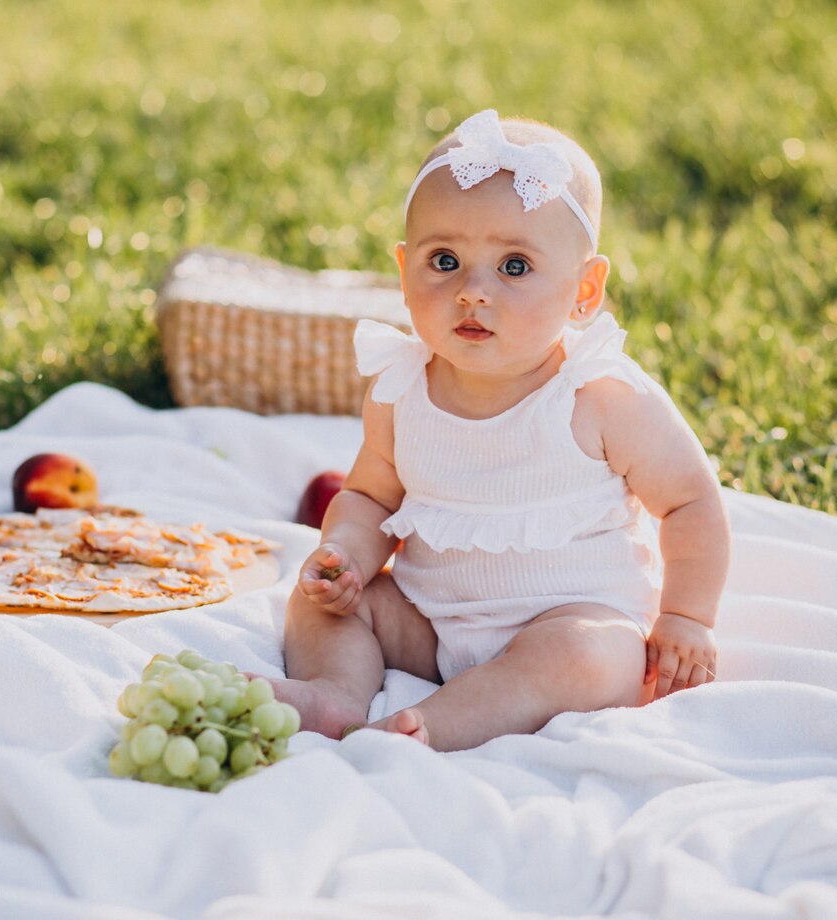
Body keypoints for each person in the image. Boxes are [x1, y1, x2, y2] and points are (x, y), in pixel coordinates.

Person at [273, 109, 730, 752]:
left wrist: (686, 616)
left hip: (565, 616)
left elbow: (690, 499)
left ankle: (436, 725)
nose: (472, 291)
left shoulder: (599, 394)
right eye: (445, 260)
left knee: (587, 658)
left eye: (514, 267)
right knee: (320, 604)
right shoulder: (402, 388)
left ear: (584, 290)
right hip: (429, 619)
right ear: (404, 271)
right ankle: (336, 695)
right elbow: (371, 497)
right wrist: (346, 556)